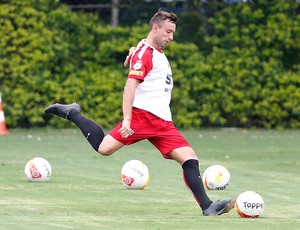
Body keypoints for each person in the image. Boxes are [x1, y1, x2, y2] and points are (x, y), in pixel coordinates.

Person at [45, 9, 235, 216]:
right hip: (142, 117)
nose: (171, 37)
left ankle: (207, 207)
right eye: (168, 31)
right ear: (155, 28)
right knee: (103, 148)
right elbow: (130, 86)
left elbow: (138, 58)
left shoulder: (147, 50)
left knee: (189, 159)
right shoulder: (146, 52)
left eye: (173, 33)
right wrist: (127, 119)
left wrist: (131, 57)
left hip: (163, 122)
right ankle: (73, 113)